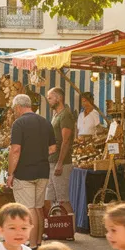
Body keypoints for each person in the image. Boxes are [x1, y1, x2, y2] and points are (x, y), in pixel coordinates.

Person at [6, 94, 55, 249]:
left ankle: (32, 244)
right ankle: (39, 241)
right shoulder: (46, 122)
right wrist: (39, 154)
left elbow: (15, 150)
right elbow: (53, 148)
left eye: (14, 109)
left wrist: (10, 173)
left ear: (19, 107)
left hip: (25, 172)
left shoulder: (19, 124)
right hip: (43, 170)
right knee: (38, 207)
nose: (14, 112)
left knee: (29, 209)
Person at [45, 88, 77, 217]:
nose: (48, 101)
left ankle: (71, 229)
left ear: (59, 98)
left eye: (50, 98)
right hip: (52, 160)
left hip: (61, 163)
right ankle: (52, 227)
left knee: (63, 199)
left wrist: (60, 163)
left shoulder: (65, 115)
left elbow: (66, 141)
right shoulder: (56, 115)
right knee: (49, 198)